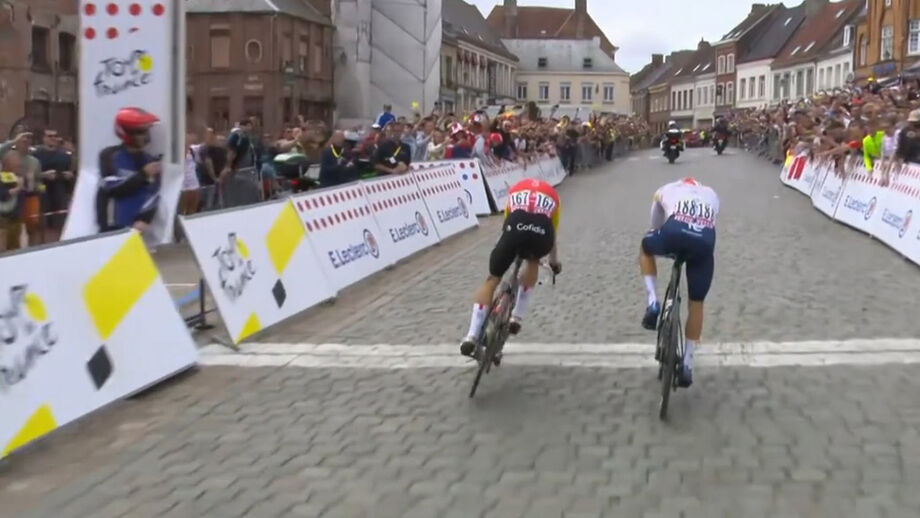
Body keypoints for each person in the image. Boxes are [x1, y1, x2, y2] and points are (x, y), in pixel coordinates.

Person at [459, 178, 563, 358]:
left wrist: (504, 250)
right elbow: (552, 235)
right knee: (533, 261)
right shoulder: (554, 197)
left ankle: (472, 335)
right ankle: (517, 317)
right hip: (540, 232)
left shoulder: (515, 191)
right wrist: (554, 262)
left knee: (493, 279)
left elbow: (506, 225)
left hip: (515, 227)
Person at [638, 177, 719, 387]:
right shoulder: (712, 194)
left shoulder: (665, 189)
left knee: (645, 248)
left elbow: (655, 223)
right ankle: (688, 364)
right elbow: (711, 220)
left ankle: (653, 302)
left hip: (674, 234)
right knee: (697, 303)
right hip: (703, 243)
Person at [96, 107, 162, 232]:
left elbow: (154, 194)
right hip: (112, 226)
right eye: (141, 132)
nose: (146, 136)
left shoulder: (150, 160)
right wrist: (143, 174)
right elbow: (113, 188)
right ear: (127, 133)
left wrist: (144, 219)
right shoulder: (109, 155)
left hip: (137, 228)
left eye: (146, 131)